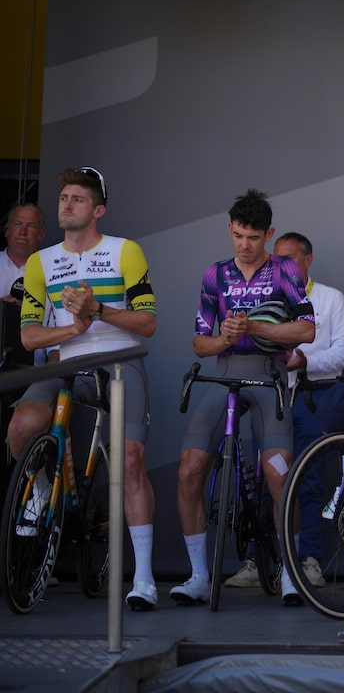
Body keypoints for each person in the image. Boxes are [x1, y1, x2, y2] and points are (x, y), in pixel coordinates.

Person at [11, 168, 159, 610]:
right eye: (63, 198)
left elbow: (148, 322)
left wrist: (99, 311)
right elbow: (29, 337)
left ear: (98, 210)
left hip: (119, 359)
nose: (66, 205)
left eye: (77, 199)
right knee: (21, 427)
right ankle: (42, 495)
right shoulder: (41, 262)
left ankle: (145, 579)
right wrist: (71, 329)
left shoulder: (125, 251)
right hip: (66, 362)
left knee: (131, 461)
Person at [172, 189, 316, 606]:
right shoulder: (214, 275)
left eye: (253, 237)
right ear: (230, 231)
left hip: (268, 381)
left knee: (278, 475)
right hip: (224, 377)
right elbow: (199, 344)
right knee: (187, 471)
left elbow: (306, 331)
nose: (245, 245)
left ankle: (290, 572)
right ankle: (199, 575)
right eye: (237, 236)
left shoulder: (286, 270)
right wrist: (223, 338)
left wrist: (256, 329)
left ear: (268, 234)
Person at [222, 232, 344, 589]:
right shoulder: (264, 293)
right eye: (275, 259)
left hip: (313, 398)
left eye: (290, 259)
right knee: (267, 481)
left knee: (307, 479)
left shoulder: (330, 298)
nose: (281, 267)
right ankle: (258, 560)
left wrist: (302, 360)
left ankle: (307, 560)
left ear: (307, 260)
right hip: (272, 396)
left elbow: (343, 355)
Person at [0, 203, 46, 368]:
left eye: (31, 226)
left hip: (33, 371)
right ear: (7, 230)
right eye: (17, 224)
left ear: (41, 235)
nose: (23, 232)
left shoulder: (51, 273)